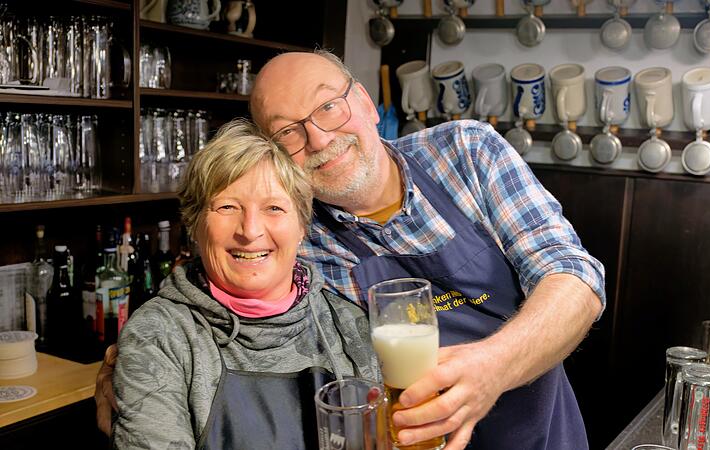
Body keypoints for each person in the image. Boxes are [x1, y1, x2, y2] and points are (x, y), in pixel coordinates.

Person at [97, 51, 606, 449]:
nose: (319, 139)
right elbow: (215, 282)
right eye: (288, 131)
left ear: (363, 101)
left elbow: (574, 277)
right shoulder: (293, 233)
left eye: (328, 107)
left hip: (542, 438)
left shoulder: (467, 153)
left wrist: (491, 367)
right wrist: (136, 369)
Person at [109, 119, 379, 449]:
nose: (250, 231)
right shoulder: (159, 335)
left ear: (301, 226)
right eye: (227, 207)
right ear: (194, 225)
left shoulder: (349, 323)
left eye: (274, 208)